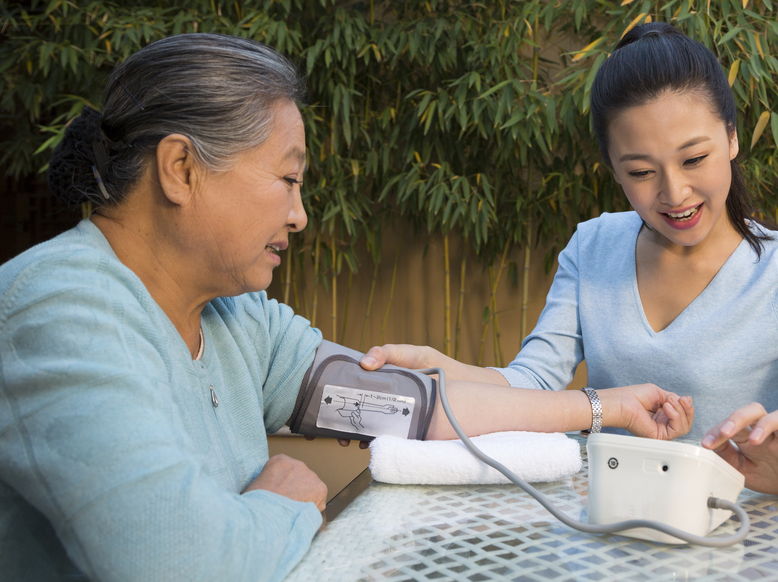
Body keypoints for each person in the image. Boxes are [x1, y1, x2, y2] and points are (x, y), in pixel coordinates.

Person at [0, 33, 694, 582]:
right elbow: (180, 563)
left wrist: (601, 407)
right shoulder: (59, 309)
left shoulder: (238, 319)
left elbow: (411, 405)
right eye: (287, 178)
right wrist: (284, 500)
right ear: (181, 168)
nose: (300, 215)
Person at [362, 21, 778, 502]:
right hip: (605, 535)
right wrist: (452, 372)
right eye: (642, 173)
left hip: (743, 546)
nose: (673, 194)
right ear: (613, 170)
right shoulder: (592, 248)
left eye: (695, 158)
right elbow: (533, 387)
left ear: (732, 138)